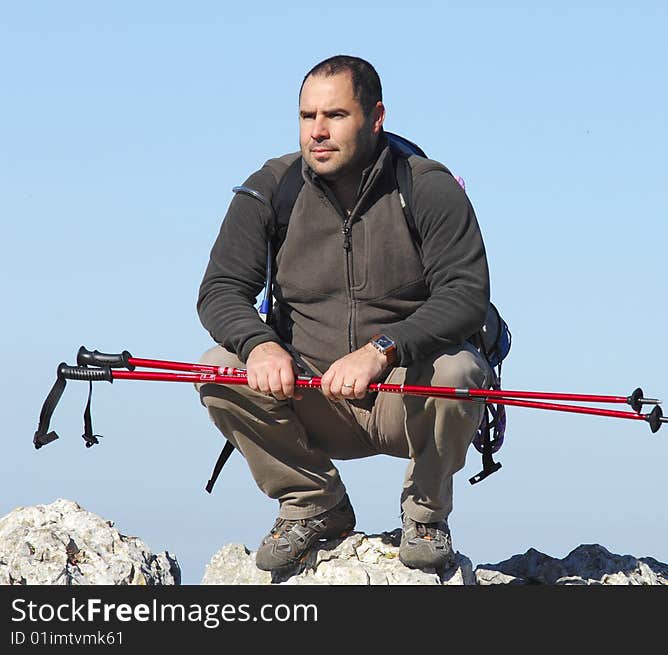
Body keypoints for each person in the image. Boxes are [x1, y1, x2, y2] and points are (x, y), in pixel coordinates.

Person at [195, 55, 491, 572]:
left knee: (461, 371)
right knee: (216, 366)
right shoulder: (270, 186)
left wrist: (383, 350)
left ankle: (425, 515)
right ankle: (313, 503)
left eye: (335, 115)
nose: (318, 132)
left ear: (376, 117)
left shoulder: (427, 185)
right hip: (308, 394)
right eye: (308, 117)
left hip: (407, 395)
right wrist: (259, 345)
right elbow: (220, 290)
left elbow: (466, 295)